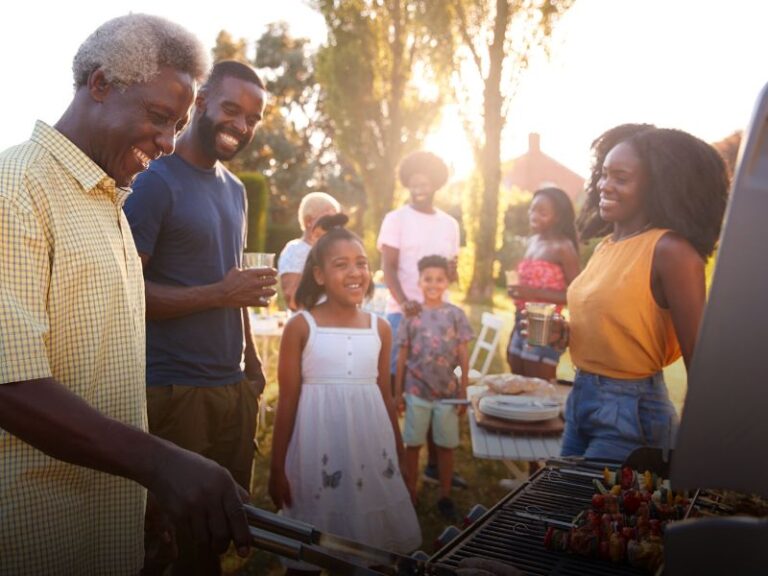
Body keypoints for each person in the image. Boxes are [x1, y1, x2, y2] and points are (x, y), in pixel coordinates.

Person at [0, 14, 254, 575]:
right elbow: (11, 385)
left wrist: (142, 492)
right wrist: (160, 464)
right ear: (100, 84)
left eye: (178, 125)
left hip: (106, 518)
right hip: (38, 528)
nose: (168, 143)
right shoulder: (15, 189)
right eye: (160, 118)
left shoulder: (111, 199)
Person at [124, 59, 276, 575]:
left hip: (232, 390)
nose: (241, 125)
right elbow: (126, 296)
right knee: (169, 543)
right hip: (173, 392)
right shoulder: (153, 181)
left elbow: (231, 289)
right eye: (231, 109)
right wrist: (218, 292)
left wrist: (252, 370)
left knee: (214, 538)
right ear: (203, 101)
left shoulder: (235, 190)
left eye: (253, 119)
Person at [545, 124, 729, 462]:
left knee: (588, 511)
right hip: (581, 401)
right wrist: (567, 333)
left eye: (620, 177)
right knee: (563, 507)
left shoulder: (671, 251)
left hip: (631, 415)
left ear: (655, 187)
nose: (604, 185)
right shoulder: (606, 247)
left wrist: (703, 443)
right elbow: (622, 325)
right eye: (603, 174)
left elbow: (700, 358)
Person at [269, 214, 421, 575]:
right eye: (341, 265)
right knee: (307, 551)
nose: (355, 272)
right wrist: (277, 468)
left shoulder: (380, 328)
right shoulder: (301, 326)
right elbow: (287, 402)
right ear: (319, 275)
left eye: (362, 264)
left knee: (375, 551)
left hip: (371, 450)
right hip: (315, 451)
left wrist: (400, 452)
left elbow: (385, 397)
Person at [376, 150, 467, 489]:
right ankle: (393, 463)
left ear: (436, 182)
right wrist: (406, 303)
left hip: (438, 320)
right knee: (400, 389)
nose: (419, 186)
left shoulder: (449, 224)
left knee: (438, 386)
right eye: (413, 180)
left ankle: (433, 466)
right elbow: (387, 266)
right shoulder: (396, 219)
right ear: (407, 182)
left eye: (425, 180)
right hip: (403, 316)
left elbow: (449, 272)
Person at [394, 255, 473, 520]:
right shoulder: (412, 315)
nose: (433, 284)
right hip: (417, 391)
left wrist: (463, 388)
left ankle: (445, 495)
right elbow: (402, 355)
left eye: (439, 279)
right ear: (419, 281)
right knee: (413, 444)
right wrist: (397, 393)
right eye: (428, 279)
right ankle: (409, 494)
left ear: (447, 282)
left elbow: (463, 355)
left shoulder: (456, 315)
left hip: (447, 394)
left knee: (446, 446)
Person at [507, 187, 580, 381]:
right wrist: (517, 291)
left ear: (557, 217)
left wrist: (531, 292)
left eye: (542, 212)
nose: (533, 215)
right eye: (532, 209)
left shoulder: (564, 247)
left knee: (536, 386)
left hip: (545, 325)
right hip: (519, 320)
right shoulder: (532, 241)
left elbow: (575, 295)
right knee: (516, 379)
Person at [278, 191, 341, 311]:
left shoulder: (335, 250)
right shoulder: (295, 250)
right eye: (329, 220)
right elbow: (292, 299)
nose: (335, 227)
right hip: (308, 324)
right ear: (309, 221)